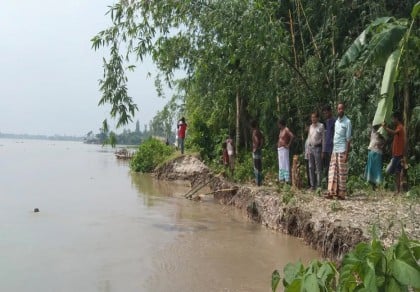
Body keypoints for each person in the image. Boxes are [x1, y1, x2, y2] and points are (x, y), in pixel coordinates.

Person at [325, 103, 352, 200]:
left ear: (344, 109)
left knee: (341, 173)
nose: (340, 110)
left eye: (341, 109)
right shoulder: (336, 122)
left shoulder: (347, 122)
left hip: (342, 150)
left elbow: (348, 139)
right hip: (335, 150)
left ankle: (341, 194)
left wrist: (346, 154)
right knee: (332, 172)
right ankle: (331, 192)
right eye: (338, 109)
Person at [382, 112, 405, 193]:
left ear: (396, 119)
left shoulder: (400, 127)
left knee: (393, 171)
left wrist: (385, 127)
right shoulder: (398, 127)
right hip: (396, 154)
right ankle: (398, 190)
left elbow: (394, 132)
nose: (393, 120)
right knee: (397, 172)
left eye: (393, 119)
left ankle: (398, 190)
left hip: (398, 154)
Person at [307, 112, 325, 190]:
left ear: (317, 118)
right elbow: (309, 138)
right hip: (311, 148)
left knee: (318, 168)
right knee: (311, 167)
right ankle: (312, 185)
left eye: (314, 117)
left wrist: (323, 151)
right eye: (312, 117)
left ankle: (319, 185)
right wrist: (307, 150)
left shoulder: (321, 126)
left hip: (318, 148)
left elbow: (323, 139)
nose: (313, 119)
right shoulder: (310, 126)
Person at [364, 125, 385, 189]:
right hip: (371, 150)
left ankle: (377, 184)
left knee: (377, 168)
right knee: (371, 168)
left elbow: (384, 140)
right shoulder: (372, 131)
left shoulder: (381, 131)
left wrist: (381, 145)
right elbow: (370, 139)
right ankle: (373, 184)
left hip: (377, 152)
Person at [277, 117, 295, 183]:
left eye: (279, 124)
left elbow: (292, 136)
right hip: (280, 149)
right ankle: (281, 179)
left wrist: (288, 145)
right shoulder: (281, 130)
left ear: (281, 124)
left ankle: (287, 179)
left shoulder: (286, 129)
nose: (278, 125)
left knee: (285, 163)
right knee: (281, 164)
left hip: (284, 149)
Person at [322, 105, 335, 178]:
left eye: (326, 113)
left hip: (332, 147)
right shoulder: (326, 122)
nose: (325, 114)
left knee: (332, 166)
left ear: (330, 111)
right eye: (324, 113)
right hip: (326, 147)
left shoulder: (334, 121)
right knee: (326, 167)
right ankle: (328, 184)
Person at [251, 120, 264, 186]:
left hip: (256, 150)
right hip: (258, 150)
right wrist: (260, 147)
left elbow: (257, 141)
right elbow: (261, 140)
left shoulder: (254, 132)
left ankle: (258, 182)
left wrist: (256, 148)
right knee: (259, 165)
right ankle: (260, 181)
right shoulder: (259, 131)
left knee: (256, 166)